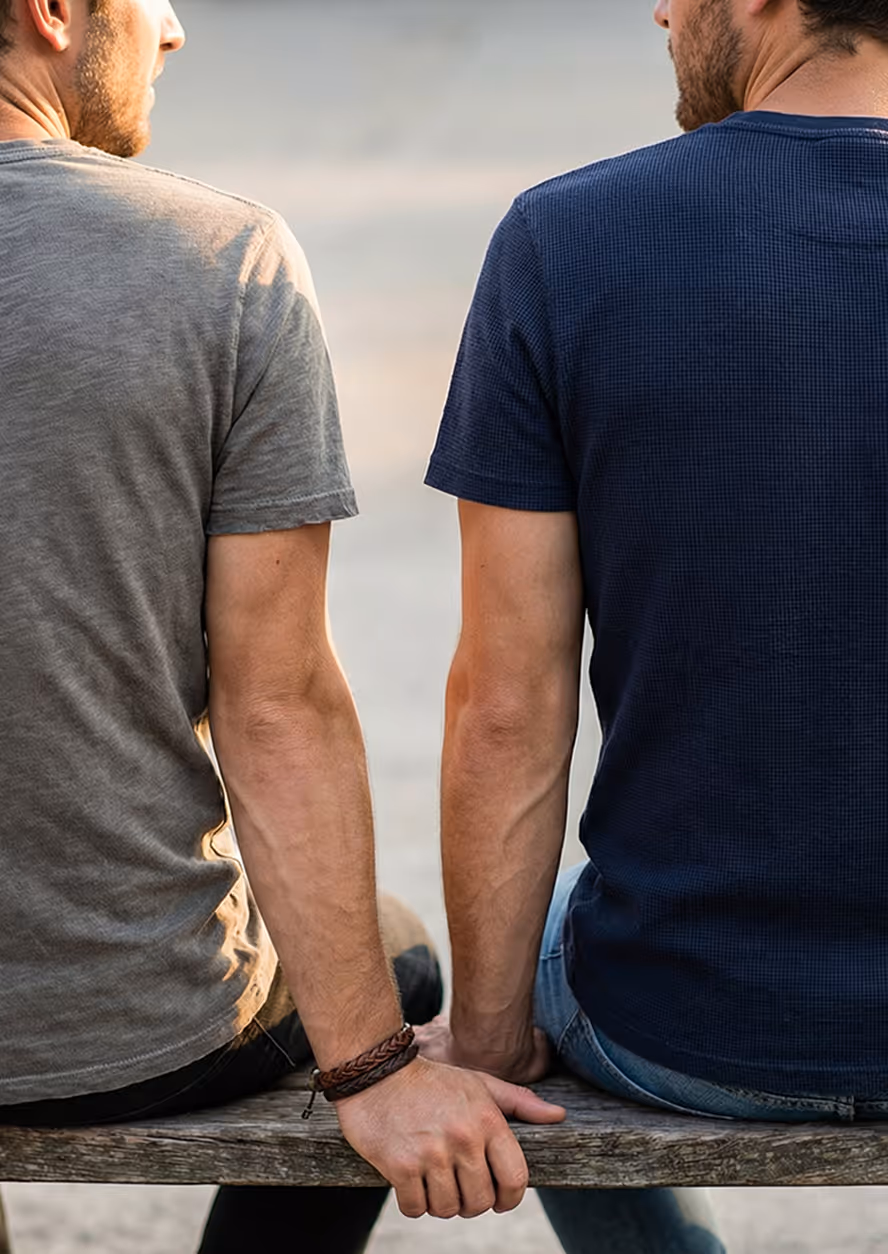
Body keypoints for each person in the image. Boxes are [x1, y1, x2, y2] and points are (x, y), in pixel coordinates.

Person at [0, 0, 566, 1248]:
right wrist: (374, 1070)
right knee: (398, 965)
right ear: (52, 13)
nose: (174, 30)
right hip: (130, 1029)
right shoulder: (219, 261)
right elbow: (277, 706)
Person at [419, 0, 888, 1250]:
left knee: (547, 958)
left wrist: (486, 1038)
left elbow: (509, 707)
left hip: (689, 1022)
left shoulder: (566, 238)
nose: (664, 12)